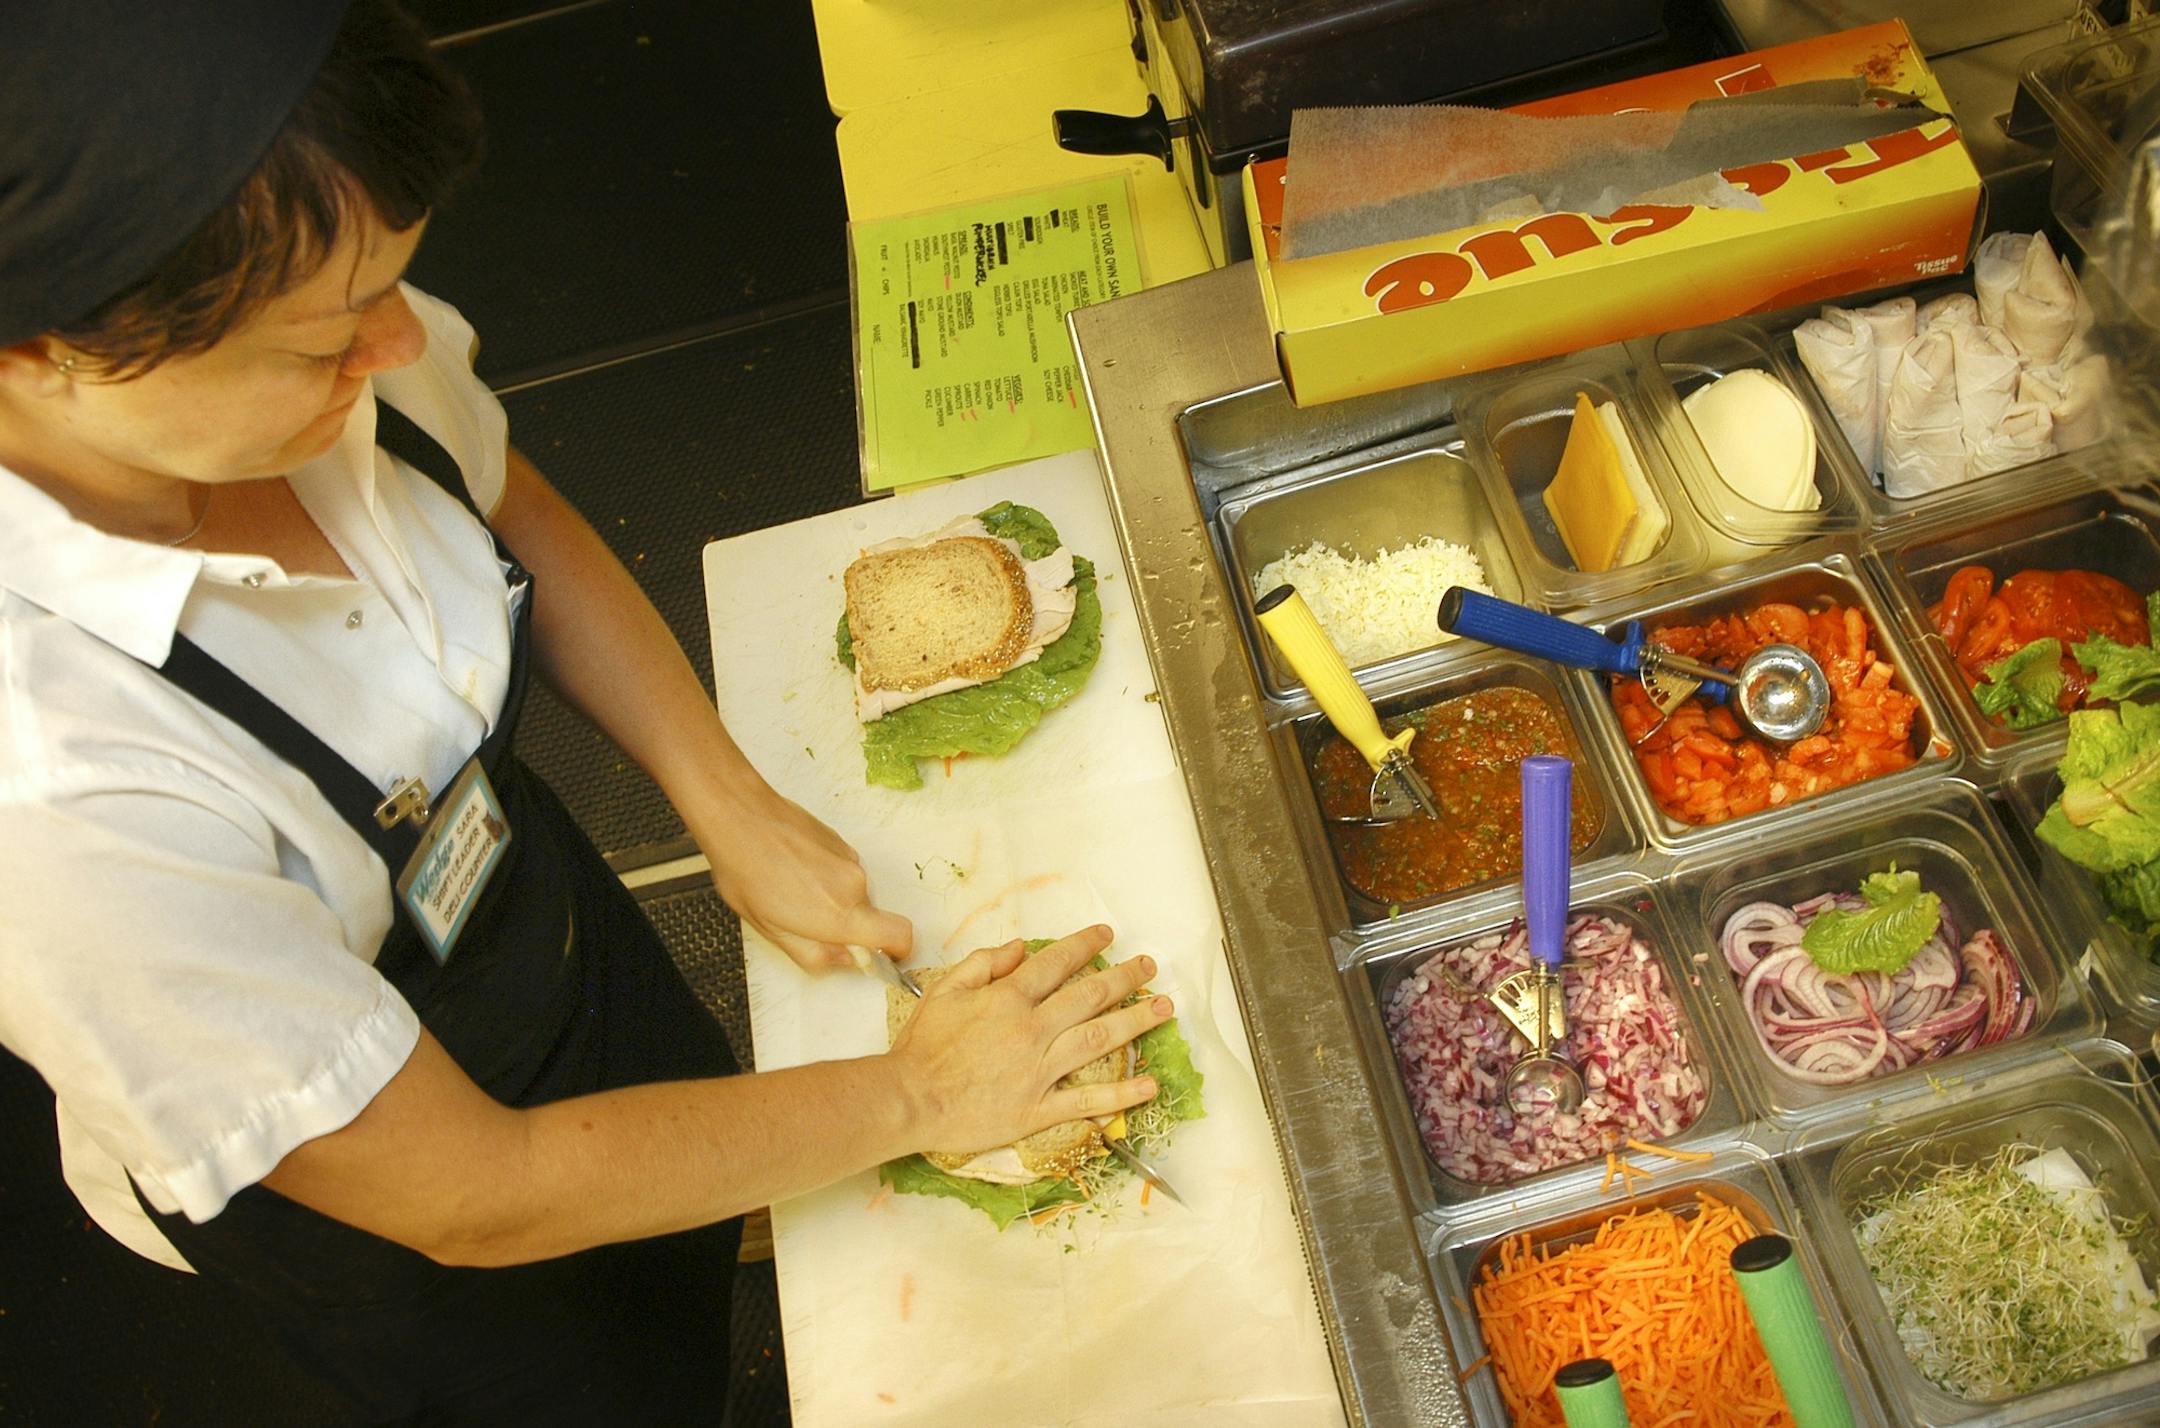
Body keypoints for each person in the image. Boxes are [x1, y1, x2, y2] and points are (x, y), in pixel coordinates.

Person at [0, 3, 1171, 1422]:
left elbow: (503, 505)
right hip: (424, 1230)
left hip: (531, 926)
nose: (394, 346)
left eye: (393, 285)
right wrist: (924, 1099)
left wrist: (720, 793)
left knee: (693, 1240)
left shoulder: (337, 344)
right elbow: (470, 1194)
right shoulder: (56, 799)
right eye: (317, 343)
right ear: (40, 353)